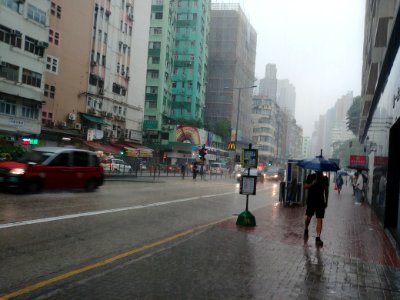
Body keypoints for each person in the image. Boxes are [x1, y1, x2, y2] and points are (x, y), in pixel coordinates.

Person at [303, 171, 329, 247]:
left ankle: (318, 237)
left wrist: (326, 200)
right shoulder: (310, 176)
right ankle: (306, 228)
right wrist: (312, 183)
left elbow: (326, 190)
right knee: (308, 218)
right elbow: (305, 186)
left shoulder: (325, 178)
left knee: (319, 219)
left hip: (320, 201)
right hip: (311, 200)